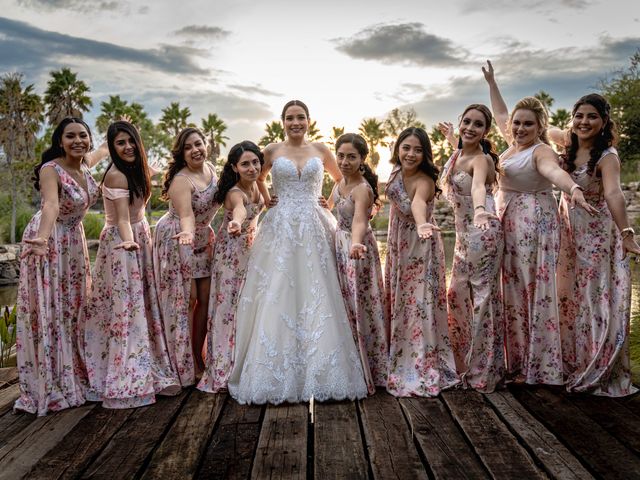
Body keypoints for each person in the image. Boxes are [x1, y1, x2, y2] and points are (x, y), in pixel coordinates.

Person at [228, 100, 368, 404]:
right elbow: (258, 177)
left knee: (319, 290)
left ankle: (322, 370)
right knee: (278, 289)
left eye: (300, 117)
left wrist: (330, 203)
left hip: (316, 225)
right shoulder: (271, 151)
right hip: (281, 226)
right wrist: (267, 199)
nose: (295, 122)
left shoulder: (321, 149)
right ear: (282, 121)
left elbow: (343, 179)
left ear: (308, 120)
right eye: (290, 118)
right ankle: (276, 372)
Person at [483, 60, 597, 385]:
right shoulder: (510, 145)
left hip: (533, 222)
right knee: (514, 289)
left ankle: (539, 363)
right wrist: (492, 83)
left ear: (539, 127)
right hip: (509, 221)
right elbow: (502, 114)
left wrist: (572, 188)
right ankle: (516, 361)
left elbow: (553, 172)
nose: (519, 128)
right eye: (518, 124)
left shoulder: (541, 151)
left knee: (532, 288)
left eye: (527, 124)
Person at [83, 121, 180, 408]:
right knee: (126, 305)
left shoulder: (138, 169)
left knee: (143, 303)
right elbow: (123, 219)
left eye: (130, 141)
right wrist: (129, 243)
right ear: (112, 148)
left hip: (141, 235)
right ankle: (125, 366)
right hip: (122, 243)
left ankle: (148, 357)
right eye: (119, 143)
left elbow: (163, 177)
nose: (127, 147)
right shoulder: (115, 176)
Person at [550, 94, 640, 396]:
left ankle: (599, 365)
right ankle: (573, 361)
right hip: (569, 236)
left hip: (598, 238)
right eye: (579, 116)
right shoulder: (567, 141)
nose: (584, 122)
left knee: (596, 299)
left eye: (591, 117)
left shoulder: (607, 156)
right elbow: (542, 129)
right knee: (570, 298)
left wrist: (627, 232)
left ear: (603, 122)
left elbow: (614, 194)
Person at [15, 117, 100, 416]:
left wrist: (124, 127)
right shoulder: (51, 169)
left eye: (83, 135)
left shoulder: (85, 165)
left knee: (73, 306)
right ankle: (50, 380)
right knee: (52, 308)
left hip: (73, 242)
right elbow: (50, 205)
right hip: (51, 239)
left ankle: (73, 372)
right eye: (70, 136)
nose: (78, 140)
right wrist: (41, 239)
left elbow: (100, 153)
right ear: (59, 141)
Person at [384, 127, 459, 397]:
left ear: (424, 153)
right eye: (406, 147)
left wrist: (422, 224)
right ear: (398, 148)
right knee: (400, 298)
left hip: (419, 243)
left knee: (418, 301)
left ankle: (418, 359)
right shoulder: (394, 172)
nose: (411, 154)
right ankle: (398, 350)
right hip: (397, 242)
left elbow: (417, 204)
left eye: (417, 149)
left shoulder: (425, 180)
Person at [440, 105, 505, 392]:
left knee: (482, 300)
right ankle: (463, 362)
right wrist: (452, 138)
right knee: (456, 295)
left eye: (477, 124)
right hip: (464, 236)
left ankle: (484, 370)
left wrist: (479, 209)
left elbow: (478, 185)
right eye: (466, 121)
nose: (470, 127)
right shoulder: (459, 153)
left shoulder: (479, 159)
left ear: (485, 131)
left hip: (483, 230)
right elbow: (458, 157)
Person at [153, 127, 219, 386]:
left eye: (199, 144)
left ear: (206, 145)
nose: (195, 150)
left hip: (203, 238)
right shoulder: (182, 179)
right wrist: (188, 235)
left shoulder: (211, 169)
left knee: (205, 298)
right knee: (187, 298)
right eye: (189, 147)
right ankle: (183, 360)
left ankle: (198, 357)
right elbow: (186, 216)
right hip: (179, 237)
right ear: (182, 153)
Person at [198, 141, 264, 393]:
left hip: (251, 253)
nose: (251, 168)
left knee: (247, 308)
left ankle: (245, 362)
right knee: (228, 310)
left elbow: (265, 202)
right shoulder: (236, 193)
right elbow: (239, 210)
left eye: (255, 162)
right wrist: (236, 223)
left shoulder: (258, 184)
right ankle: (223, 369)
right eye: (245, 164)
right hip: (230, 257)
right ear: (235, 167)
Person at [329, 133, 389, 393]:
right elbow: (332, 204)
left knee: (360, 303)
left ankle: (371, 368)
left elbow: (359, 221)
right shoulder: (339, 183)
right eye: (340, 156)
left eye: (351, 157)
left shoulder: (362, 189)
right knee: (345, 304)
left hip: (357, 249)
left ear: (362, 159)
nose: (344, 161)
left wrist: (355, 243)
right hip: (341, 245)